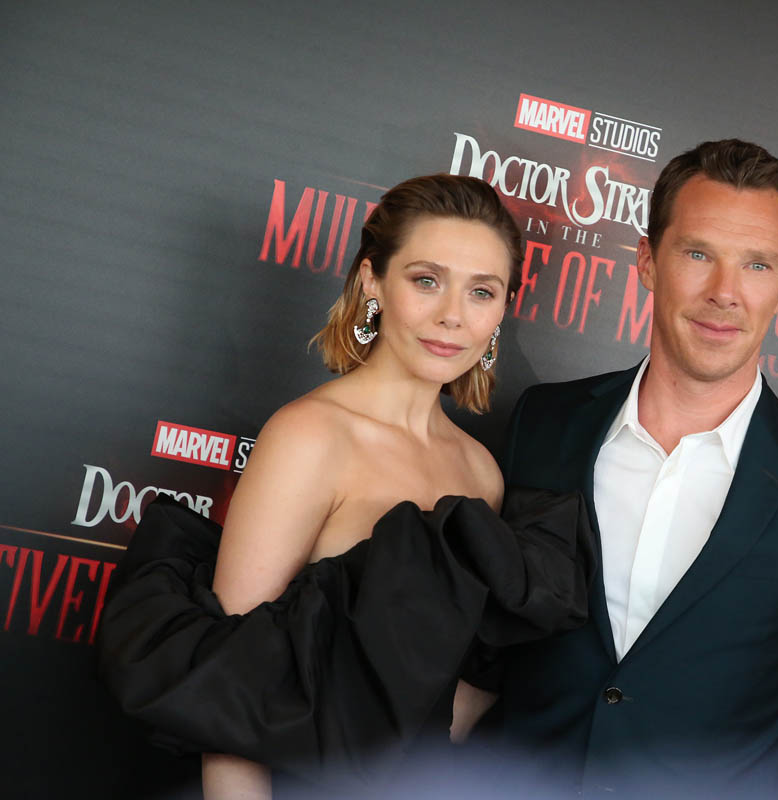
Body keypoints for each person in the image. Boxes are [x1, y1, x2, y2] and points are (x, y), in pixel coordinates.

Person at [97, 174, 592, 799]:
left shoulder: (481, 472)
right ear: (371, 281)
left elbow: (450, 702)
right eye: (426, 280)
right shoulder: (309, 437)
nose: (452, 315)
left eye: (481, 291)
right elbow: (229, 692)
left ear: (501, 311)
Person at [489, 139, 778, 798]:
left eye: (756, 264)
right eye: (697, 254)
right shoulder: (545, 422)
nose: (725, 293)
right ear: (647, 261)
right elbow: (483, 650)